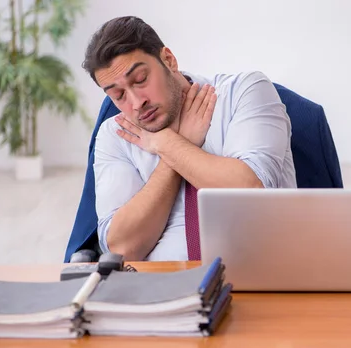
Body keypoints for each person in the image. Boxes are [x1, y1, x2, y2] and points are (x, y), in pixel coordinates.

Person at [82, 16, 297, 262]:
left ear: (168, 60)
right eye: (118, 95)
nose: (135, 102)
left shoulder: (244, 91)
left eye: (141, 80)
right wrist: (177, 149)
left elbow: (251, 195)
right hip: (162, 288)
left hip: (260, 275)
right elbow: (121, 248)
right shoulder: (117, 133)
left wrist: (164, 143)